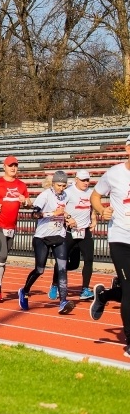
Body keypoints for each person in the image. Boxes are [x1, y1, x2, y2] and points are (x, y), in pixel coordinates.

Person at [89, 134, 130, 358]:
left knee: (127, 289)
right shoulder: (114, 174)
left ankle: (103, 296)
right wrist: (101, 209)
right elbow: (95, 195)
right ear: (127, 149)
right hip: (121, 238)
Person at [17, 170, 75, 314]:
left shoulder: (66, 195)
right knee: (39, 270)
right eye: (59, 185)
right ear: (53, 184)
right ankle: (24, 291)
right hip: (42, 238)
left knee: (62, 268)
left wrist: (68, 218)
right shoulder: (44, 195)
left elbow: (63, 211)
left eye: (64, 185)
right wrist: (52, 214)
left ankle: (63, 302)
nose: (61, 188)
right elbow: (34, 214)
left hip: (59, 236)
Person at [0, 155, 32, 302]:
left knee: (2, 259)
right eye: (10, 165)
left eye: (15, 165)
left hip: (11, 226)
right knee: (2, 254)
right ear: (4, 167)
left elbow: (29, 204)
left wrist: (25, 202)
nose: (13, 168)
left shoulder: (21, 185)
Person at [49, 169, 97, 301]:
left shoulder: (91, 192)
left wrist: (94, 219)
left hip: (84, 231)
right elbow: (59, 208)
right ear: (76, 179)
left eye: (87, 180)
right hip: (70, 232)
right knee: (62, 261)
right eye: (83, 180)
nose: (86, 183)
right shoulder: (68, 192)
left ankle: (85, 289)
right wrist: (68, 218)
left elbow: (92, 208)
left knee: (88, 260)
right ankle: (54, 284)